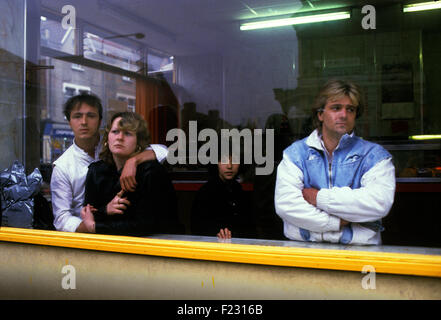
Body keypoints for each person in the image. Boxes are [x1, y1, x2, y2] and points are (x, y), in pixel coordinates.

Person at [274, 79, 396, 245]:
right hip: (304, 251)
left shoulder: (374, 156)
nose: (344, 115)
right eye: (336, 108)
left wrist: (319, 198)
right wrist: (337, 222)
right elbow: (286, 205)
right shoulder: (295, 154)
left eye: (350, 109)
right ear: (320, 114)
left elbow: (378, 203)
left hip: (360, 254)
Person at [50, 93, 168, 233]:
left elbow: (164, 151)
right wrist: (91, 226)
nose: (84, 122)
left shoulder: (115, 144)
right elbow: (62, 220)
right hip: (88, 235)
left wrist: (133, 161)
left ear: (100, 120)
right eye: (77, 116)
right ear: (69, 122)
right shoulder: (63, 166)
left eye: (91, 116)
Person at [80, 112, 182, 236]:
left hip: (153, 248)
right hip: (105, 247)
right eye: (115, 131)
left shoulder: (151, 172)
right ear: (107, 138)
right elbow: (88, 213)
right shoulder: (96, 170)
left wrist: (95, 227)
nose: (120, 137)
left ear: (138, 142)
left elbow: (146, 226)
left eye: (127, 133)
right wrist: (106, 210)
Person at [191, 153, 256, 240]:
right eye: (224, 161)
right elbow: (198, 231)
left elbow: (251, 230)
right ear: (215, 164)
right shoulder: (205, 193)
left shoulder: (241, 192)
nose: (229, 166)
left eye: (234, 161)